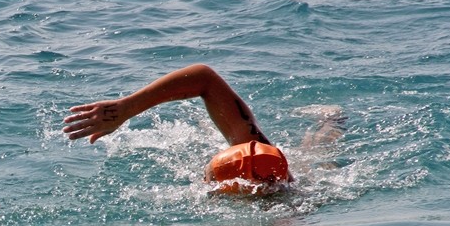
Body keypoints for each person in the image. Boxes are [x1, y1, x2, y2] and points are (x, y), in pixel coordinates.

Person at [63, 63, 295, 195]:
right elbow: (204, 78)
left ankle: (330, 121)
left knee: (316, 148)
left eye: (208, 177)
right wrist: (126, 108)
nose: (204, 180)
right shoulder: (259, 152)